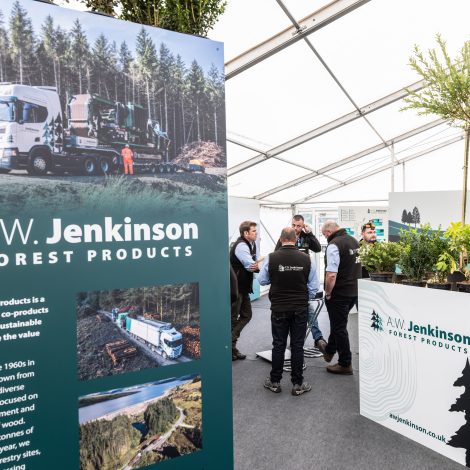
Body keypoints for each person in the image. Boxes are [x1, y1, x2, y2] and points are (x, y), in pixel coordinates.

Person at [258, 227, 320, 396]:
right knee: (297, 345)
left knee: (278, 344)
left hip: (278, 307)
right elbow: (314, 287)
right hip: (300, 308)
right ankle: (297, 383)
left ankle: (275, 381)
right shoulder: (307, 259)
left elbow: (262, 280)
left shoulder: (271, 258)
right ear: (295, 239)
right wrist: (302, 297)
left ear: (280, 238)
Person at [275, 215, 326, 352]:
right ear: (291, 224)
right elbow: (276, 254)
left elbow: (317, 248)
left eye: (299, 226)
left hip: (302, 280)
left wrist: (310, 233)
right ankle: (315, 339)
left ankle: (303, 342)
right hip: (287, 280)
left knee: (305, 309)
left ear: (303, 226)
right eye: (294, 225)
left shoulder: (306, 236)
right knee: (302, 311)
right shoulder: (285, 236)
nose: (296, 228)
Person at [321, 220, 361, 375]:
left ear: (329, 232)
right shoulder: (354, 241)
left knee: (339, 327)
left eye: (325, 235)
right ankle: (330, 349)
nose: (325, 238)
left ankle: (345, 363)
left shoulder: (334, 245)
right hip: (354, 292)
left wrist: (328, 292)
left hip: (339, 293)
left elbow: (331, 274)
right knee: (339, 323)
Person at [230, 221, 259, 361]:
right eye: (254, 231)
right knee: (233, 318)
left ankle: (230, 345)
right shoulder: (241, 246)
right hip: (236, 289)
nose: (256, 233)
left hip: (244, 287)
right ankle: (230, 348)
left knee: (246, 315)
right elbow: (251, 266)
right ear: (245, 233)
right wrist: (260, 265)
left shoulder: (252, 244)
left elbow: (255, 263)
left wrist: (258, 264)